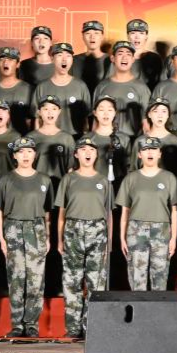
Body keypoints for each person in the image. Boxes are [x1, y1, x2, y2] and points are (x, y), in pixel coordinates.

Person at [0, 137, 52, 338]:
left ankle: (32, 324)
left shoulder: (44, 180)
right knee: (16, 278)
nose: (25, 155)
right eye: (21, 152)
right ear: (14, 156)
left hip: (36, 228)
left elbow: (47, 212)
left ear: (35, 154)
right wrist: (2, 238)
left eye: (29, 151)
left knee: (36, 279)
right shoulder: (6, 180)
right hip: (13, 227)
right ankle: (17, 325)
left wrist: (47, 236)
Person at [56, 136, 112, 339]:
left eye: (92, 150)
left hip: (98, 230)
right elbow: (61, 214)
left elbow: (108, 214)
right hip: (73, 229)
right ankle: (73, 327)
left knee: (96, 281)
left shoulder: (104, 181)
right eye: (83, 150)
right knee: (72, 279)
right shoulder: (68, 179)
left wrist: (109, 242)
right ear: (76, 154)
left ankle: (92, 327)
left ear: (96, 155)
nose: (88, 153)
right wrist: (60, 239)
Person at [117, 136, 177, 291]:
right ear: (139, 154)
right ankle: (138, 307)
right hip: (136, 229)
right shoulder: (130, 178)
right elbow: (125, 211)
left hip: (162, 230)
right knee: (137, 276)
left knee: (160, 275)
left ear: (159, 153)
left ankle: (157, 307)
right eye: (145, 149)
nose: (150, 152)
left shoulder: (169, 178)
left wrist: (174, 238)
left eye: (153, 149)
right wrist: (122, 237)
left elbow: (174, 210)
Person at [30, 42, 91, 136]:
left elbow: (86, 119)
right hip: (49, 138)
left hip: (75, 138)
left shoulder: (81, 86)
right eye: (59, 55)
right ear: (52, 59)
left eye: (68, 56)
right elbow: (37, 119)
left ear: (72, 59)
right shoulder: (42, 87)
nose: (64, 59)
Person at [93, 40, 151, 137]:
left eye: (128, 54)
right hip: (106, 140)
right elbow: (95, 122)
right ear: (112, 58)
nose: (124, 57)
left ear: (133, 59)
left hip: (132, 140)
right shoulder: (102, 87)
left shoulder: (142, 88)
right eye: (120, 54)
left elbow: (146, 124)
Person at [24, 96, 76, 184]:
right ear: (39, 112)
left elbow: (70, 168)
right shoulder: (30, 138)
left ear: (59, 111)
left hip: (59, 185)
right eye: (46, 109)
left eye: (54, 109)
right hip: (36, 185)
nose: (50, 112)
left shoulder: (67, 138)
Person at [131, 97, 177, 177]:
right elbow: (133, 169)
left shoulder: (176, 142)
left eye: (164, 111)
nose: (160, 115)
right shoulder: (139, 141)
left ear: (168, 115)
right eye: (155, 111)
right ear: (149, 114)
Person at [88, 95, 131, 186]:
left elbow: (129, 167)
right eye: (101, 110)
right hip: (94, 185)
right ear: (95, 113)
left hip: (118, 184)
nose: (106, 114)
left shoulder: (124, 139)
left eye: (110, 110)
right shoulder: (87, 139)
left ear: (115, 112)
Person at [123, 18, 163, 83]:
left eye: (141, 33)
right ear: (127, 36)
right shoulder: (121, 58)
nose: (137, 37)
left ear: (146, 36)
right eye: (133, 33)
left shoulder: (154, 58)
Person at [76, 20, 111, 89]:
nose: (92, 37)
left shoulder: (111, 60)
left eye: (96, 33)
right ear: (83, 37)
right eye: (88, 33)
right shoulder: (74, 60)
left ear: (102, 36)